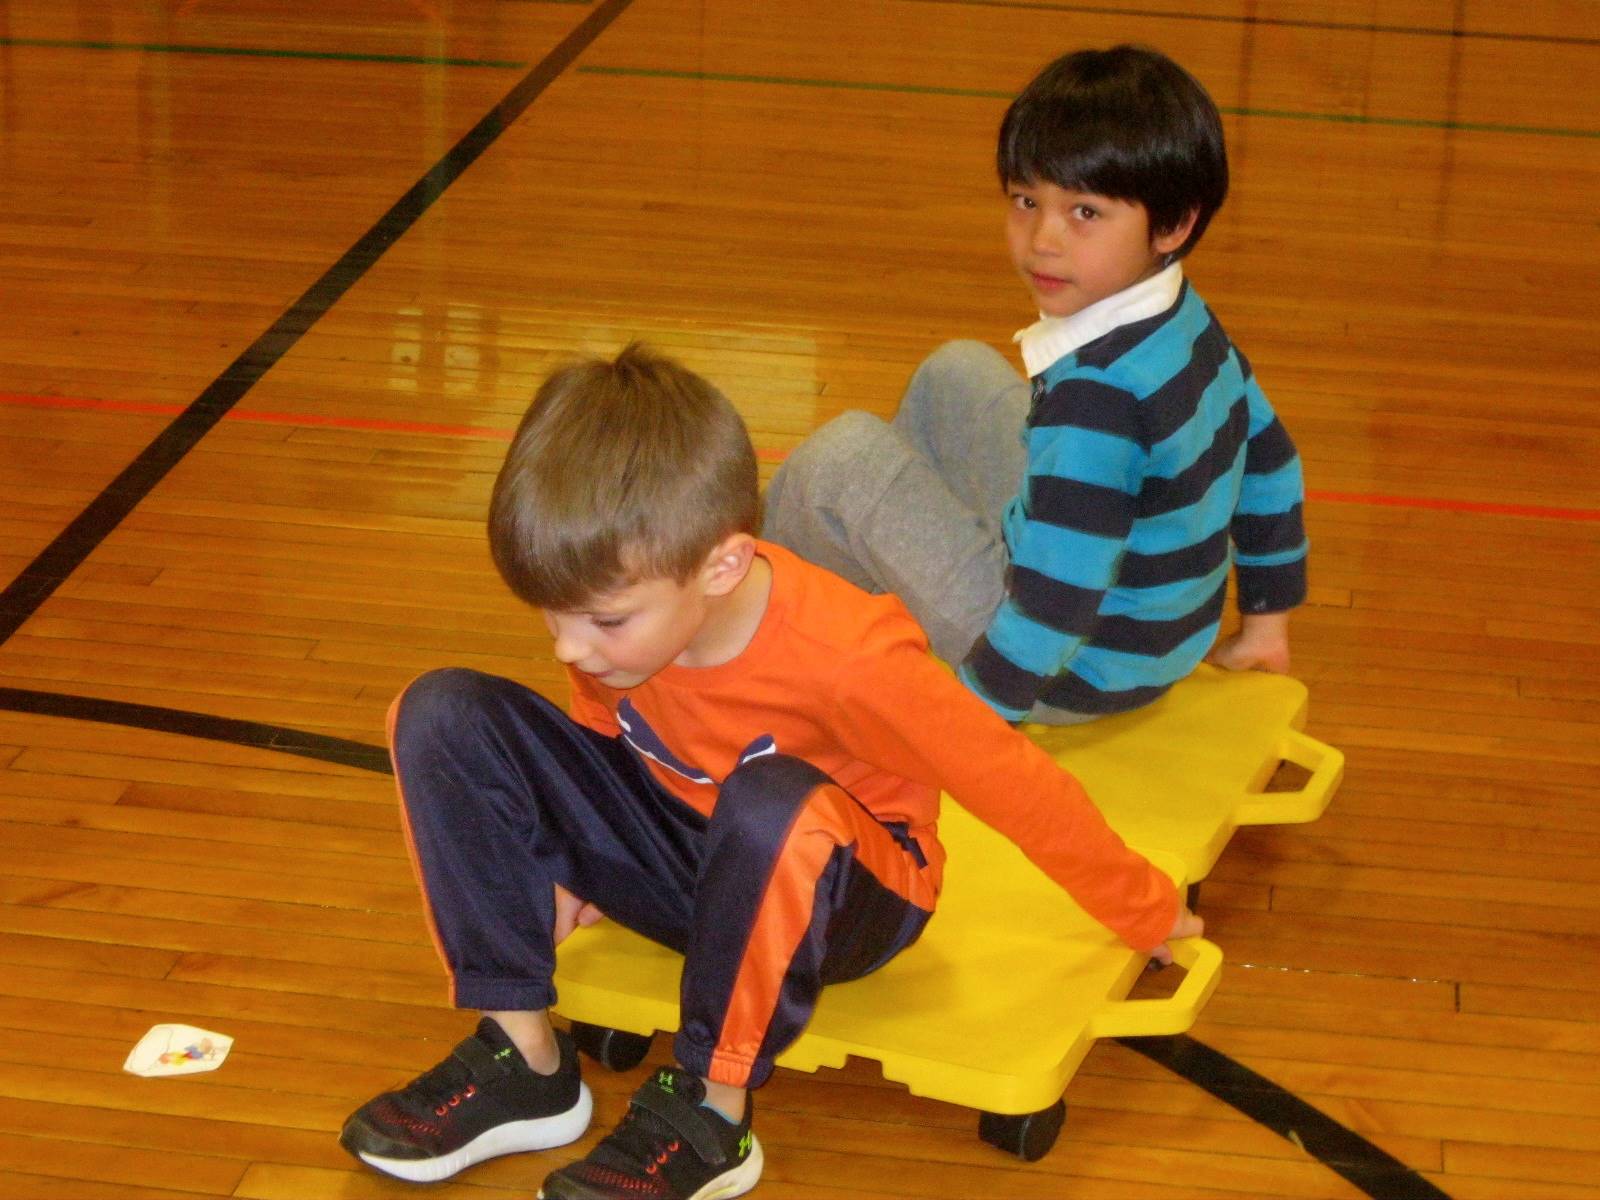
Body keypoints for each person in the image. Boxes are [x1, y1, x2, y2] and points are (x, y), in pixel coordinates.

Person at [339, 345, 1199, 1200]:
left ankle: (711, 1117)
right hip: (696, 854)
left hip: (848, 897)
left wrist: (1148, 912)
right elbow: (604, 729)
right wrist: (574, 855)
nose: (569, 646)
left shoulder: (850, 657)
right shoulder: (615, 631)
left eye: (601, 620)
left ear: (720, 565)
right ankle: (523, 1060)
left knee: (769, 800)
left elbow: (1012, 782)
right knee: (441, 711)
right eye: (553, 616)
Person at [763, 45, 1309, 725]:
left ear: (1173, 224)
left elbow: (1060, 593)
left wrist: (973, 719)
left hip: (1067, 672)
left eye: (1084, 213)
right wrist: (1265, 624)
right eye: (1027, 200)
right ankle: (878, 595)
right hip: (1152, 635)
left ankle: (762, 648)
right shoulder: (1185, 320)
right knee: (952, 370)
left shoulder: (1099, 399)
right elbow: (1272, 460)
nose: (1042, 239)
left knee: (839, 463)